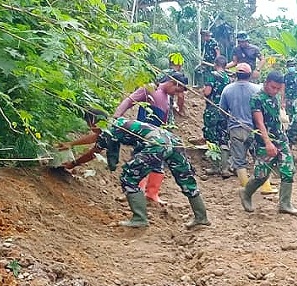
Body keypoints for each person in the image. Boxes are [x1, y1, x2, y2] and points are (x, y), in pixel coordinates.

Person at [65, 115, 209, 229]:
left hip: (156, 145)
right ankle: (201, 217)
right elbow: (97, 137)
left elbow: (95, 151)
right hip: (173, 141)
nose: (91, 129)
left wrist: (74, 163)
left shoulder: (109, 131)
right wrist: (71, 144)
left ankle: (139, 219)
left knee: (129, 177)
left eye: (90, 126)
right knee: (186, 179)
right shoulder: (118, 122)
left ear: (93, 123)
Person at [113, 72, 189, 205]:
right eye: (177, 90)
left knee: (158, 163)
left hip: (157, 137)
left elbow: (164, 121)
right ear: (172, 82)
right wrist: (117, 116)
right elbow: (129, 100)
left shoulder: (167, 98)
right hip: (143, 134)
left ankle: (152, 193)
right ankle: (135, 191)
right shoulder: (150, 88)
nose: (176, 94)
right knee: (139, 161)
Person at [241, 71, 297, 216]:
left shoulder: (275, 97)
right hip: (264, 142)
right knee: (261, 175)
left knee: (288, 170)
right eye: (273, 87)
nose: (275, 91)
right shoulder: (257, 99)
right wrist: (268, 143)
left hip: (281, 139)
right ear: (266, 82)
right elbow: (259, 123)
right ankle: (246, 192)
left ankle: (285, 204)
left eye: (278, 88)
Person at [219, 63, 277, 194]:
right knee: (260, 158)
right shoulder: (257, 89)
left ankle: (247, 191)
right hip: (254, 129)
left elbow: (222, 111)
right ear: (249, 75)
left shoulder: (227, 89)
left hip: (235, 129)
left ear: (236, 74)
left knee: (239, 161)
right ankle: (266, 187)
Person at [201, 56, 231, 177]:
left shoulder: (212, 75)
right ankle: (225, 168)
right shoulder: (227, 78)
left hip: (212, 110)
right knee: (223, 137)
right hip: (224, 111)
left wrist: (203, 91)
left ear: (215, 64)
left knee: (212, 137)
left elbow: (207, 92)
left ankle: (215, 166)